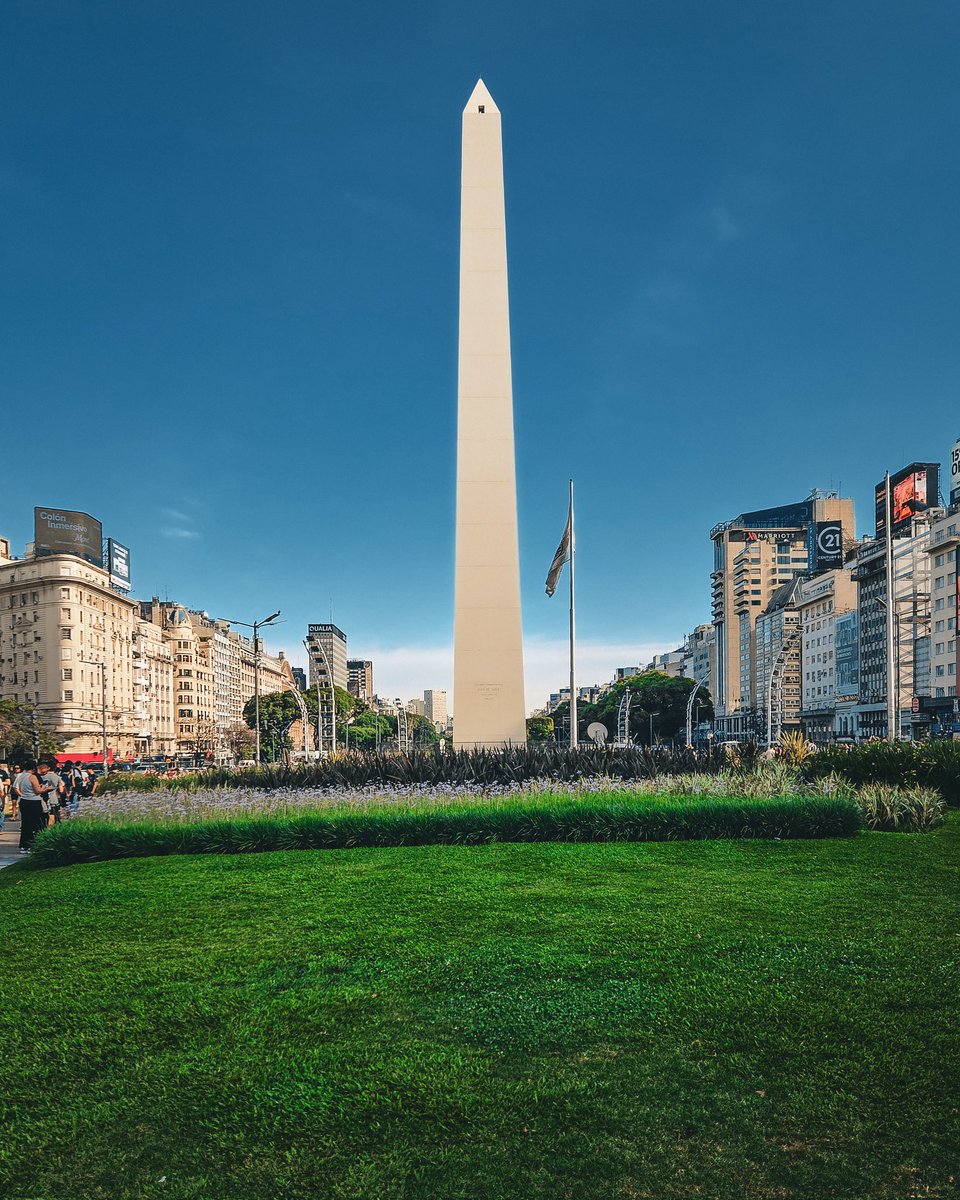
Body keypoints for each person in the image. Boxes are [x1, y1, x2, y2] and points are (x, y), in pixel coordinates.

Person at [13, 761, 50, 853]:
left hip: (24, 800)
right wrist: (46, 789)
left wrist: (22, 794)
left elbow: (15, 787)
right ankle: (32, 844)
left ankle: (23, 845)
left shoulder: (20, 776)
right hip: (34, 801)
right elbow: (37, 791)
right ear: (33, 769)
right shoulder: (32, 777)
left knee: (25, 823)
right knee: (35, 823)